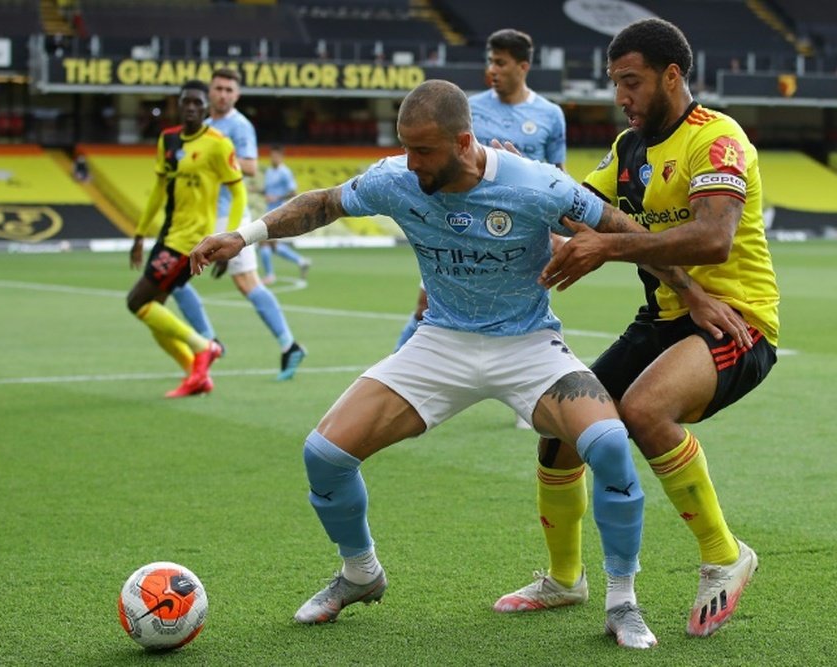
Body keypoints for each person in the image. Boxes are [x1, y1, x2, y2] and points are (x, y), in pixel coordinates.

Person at [192, 79, 747, 650]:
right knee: (325, 456)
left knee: (607, 444)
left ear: (463, 142)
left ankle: (621, 600)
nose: (412, 162)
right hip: (440, 344)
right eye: (405, 147)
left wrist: (693, 294)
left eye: (424, 150)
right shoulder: (396, 179)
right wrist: (245, 234)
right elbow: (325, 203)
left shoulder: (536, 184)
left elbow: (618, 227)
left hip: (528, 345)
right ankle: (360, 573)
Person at [493, 18, 779, 640]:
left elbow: (714, 236)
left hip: (737, 321)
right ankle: (565, 579)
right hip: (669, 317)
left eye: (631, 82)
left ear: (671, 76)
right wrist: (521, 178)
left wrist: (609, 250)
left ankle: (725, 556)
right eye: (614, 83)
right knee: (564, 423)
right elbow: (577, 211)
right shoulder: (628, 150)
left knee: (644, 410)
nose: (620, 96)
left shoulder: (717, 137)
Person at [393, 29, 566, 364]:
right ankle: (394, 368)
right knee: (425, 305)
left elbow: (555, 176)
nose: (493, 70)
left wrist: (556, 230)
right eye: (490, 62)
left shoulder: (550, 115)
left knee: (529, 305)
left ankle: (541, 379)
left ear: (523, 66)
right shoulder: (470, 108)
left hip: (522, 230)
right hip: (463, 226)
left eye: (501, 63)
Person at [171, 68, 306, 381]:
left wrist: (215, 155)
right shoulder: (203, 125)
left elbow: (249, 166)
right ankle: (211, 341)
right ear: (210, 90)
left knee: (246, 282)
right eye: (218, 88)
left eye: (229, 90)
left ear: (237, 95)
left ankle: (287, 345)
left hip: (229, 214)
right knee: (176, 278)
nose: (222, 94)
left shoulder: (239, 126)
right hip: (202, 213)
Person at [128, 79, 245, 398]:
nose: (191, 108)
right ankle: (197, 374)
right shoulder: (168, 140)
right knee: (154, 311)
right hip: (168, 235)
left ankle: (203, 348)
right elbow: (157, 190)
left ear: (205, 108)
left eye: (197, 103)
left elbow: (238, 192)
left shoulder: (218, 143)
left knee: (136, 302)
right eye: (186, 102)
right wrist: (140, 232)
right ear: (179, 106)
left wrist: (231, 239)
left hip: (190, 242)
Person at [259, 144, 311, 285]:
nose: (273, 158)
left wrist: (277, 198)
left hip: (280, 212)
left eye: (276, 156)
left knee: (264, 243)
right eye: (271, 155)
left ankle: (270, 275)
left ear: (281, 157)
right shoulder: (269, 171)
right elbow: (269, 191)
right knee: (273, 246)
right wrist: (259, 191)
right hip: (269, 211)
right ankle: (301, 261)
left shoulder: (285, 172)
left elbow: (292, 192)